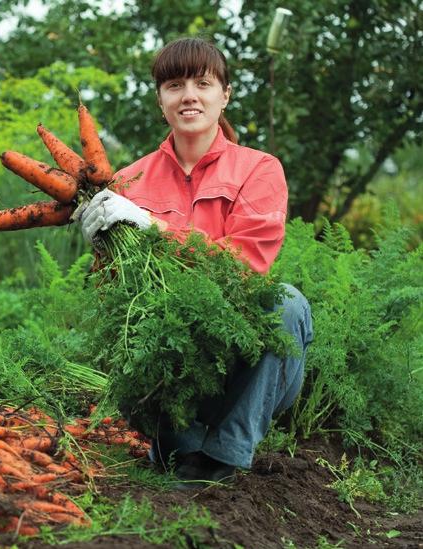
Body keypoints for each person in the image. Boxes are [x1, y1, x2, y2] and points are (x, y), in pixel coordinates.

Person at [78, 37, 313, 488]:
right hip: (168, 364)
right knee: (131, 320)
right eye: (174, 84)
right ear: (160, 100)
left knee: (286, 302)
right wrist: (103, 249)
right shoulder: (127, 181)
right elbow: (116, 297)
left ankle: (224, 453)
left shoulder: (259, 169)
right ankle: (175, 442)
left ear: (224, 95)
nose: (189, 95)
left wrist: (154, 229)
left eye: (203, 83)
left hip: (242, 369)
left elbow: (244, 264)